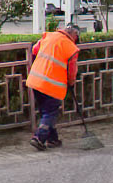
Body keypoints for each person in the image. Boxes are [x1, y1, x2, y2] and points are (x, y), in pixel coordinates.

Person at [26, 23, 80, 151]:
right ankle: (39, 138)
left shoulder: (48, 36)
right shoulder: (71, 48)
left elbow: (34, 50)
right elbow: (72, 71)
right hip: (52, 85)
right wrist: (71, 83)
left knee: (46, 111)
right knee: (50, 112)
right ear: (74, 35)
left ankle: (52, 139)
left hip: (36, 80)